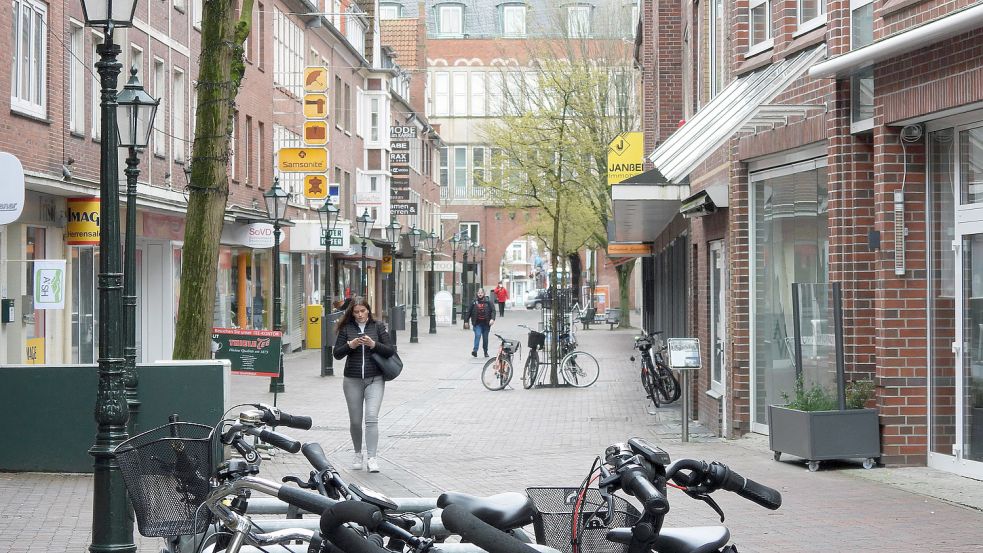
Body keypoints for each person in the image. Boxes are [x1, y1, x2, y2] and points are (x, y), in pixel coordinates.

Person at [333, 297, 395, 473]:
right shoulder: (347, 329)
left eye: (363, 311)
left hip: (375, 378)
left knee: (371, 418)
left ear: (368, 310)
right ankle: (358, 453)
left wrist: (373, 344)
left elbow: (390, 350)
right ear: (352, 313)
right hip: (352, 380)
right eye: (356, 312)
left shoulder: (378, 327)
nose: (360, 315)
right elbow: (336, 354)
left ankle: (372, 458)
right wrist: (350, 345)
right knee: (355, 421)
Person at [467, 288, 496, 357]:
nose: (480, 294)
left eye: (481, 293)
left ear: (484, 294)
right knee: (478, 335)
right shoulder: (474, 302)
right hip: (477, 323)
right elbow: (469, 312)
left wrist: (492, 319)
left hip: (486, 324)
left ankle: (485, 352)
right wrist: (466, 321)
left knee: (485, 339)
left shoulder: (488, 302)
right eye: (479, 293)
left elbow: (493, 311)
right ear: (477, 293)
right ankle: (475, 351)